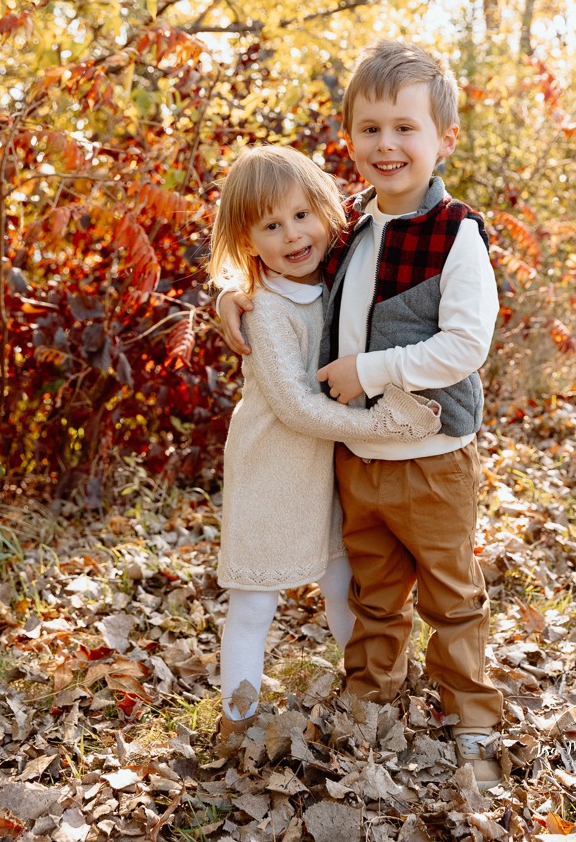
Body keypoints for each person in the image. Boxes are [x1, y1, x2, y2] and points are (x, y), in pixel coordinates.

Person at [218, 41, 503, 790]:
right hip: (358, 462)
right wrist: (232, 295)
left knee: (450, 593)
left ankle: (471, 715)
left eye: (404, 128)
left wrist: (368, 372)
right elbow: (284, 268)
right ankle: (370, 698)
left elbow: (467, 344)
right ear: (349, 138)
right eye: (370, 129)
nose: (387, 145)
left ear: (443, 137)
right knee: (372, 593)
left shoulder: (456, 232)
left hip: (432, 457)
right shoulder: (349, 229)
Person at [208, 145, 441, 753]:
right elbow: (293, 406)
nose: (292, 235)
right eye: (271, 225)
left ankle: (370, 691)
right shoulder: (264, 310)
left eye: (302, 215)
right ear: (247, 239)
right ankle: (238, 719)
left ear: (328, 212)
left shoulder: (337, 277)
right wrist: (387, 426)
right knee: (255, 600)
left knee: (344, 586)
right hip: (271, 468)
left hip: (330, 470)